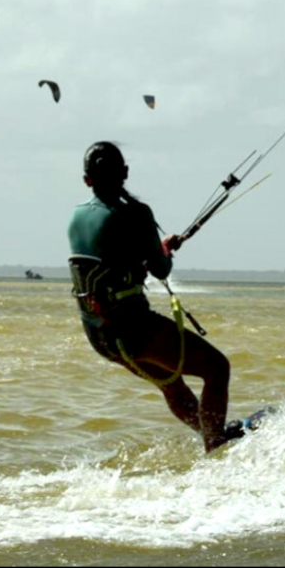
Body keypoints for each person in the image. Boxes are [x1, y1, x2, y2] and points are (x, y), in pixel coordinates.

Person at [68, 141, 242, 453]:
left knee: (172, 385)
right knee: (218, 368)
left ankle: (210, 437)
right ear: (125, 172)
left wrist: (153, 249)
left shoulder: (76, 217)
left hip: (100, 337)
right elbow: (160, 270)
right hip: (132, 329)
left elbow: (111, 258)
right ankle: (215, 444)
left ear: (86, 180)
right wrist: (163, 251)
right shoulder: (136, 213)